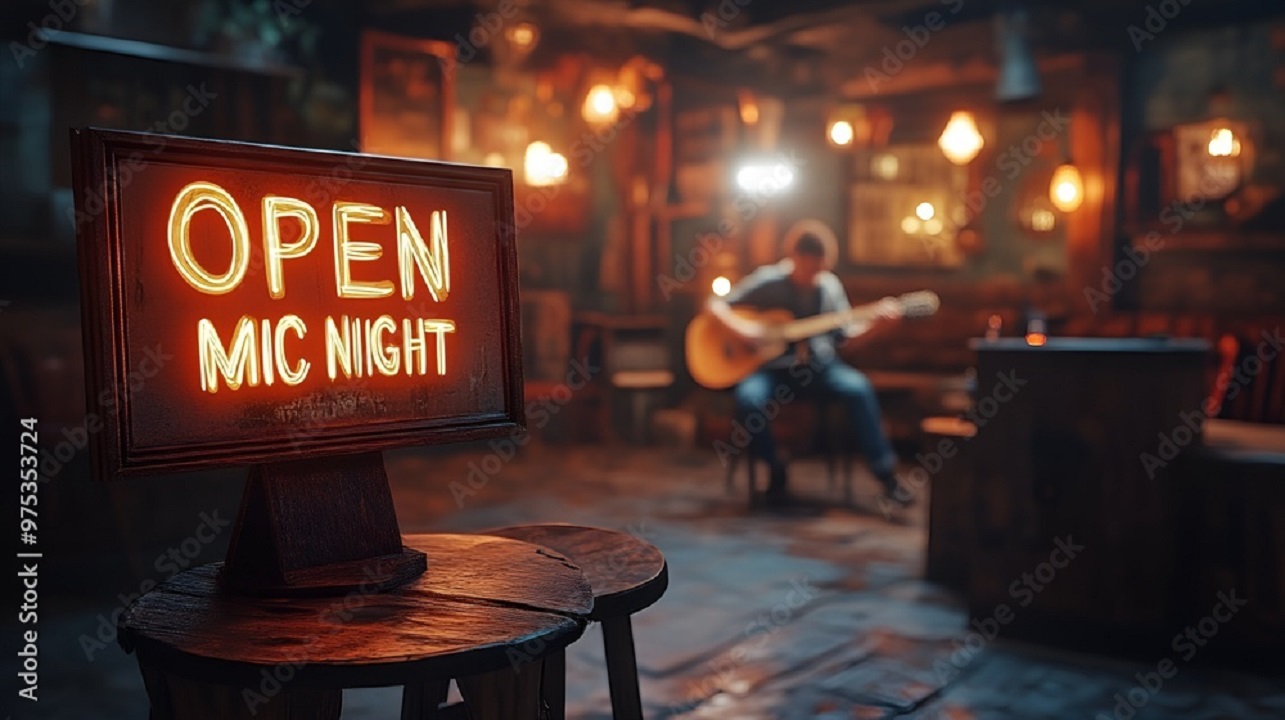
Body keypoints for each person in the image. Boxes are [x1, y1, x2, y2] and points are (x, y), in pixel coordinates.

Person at [706, 230, 904, 504]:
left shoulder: (829, 286)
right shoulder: (768, 281)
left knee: (859, 388)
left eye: (819, 270)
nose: (814, 276)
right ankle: (775, 468)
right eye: (809, 269)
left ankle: (886, 476)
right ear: (794, 258)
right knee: (749, 400)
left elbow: (844, 340)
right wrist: (744, 330)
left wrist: (876, 328)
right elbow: (715, 304)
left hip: (819, 369)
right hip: (772, 371)